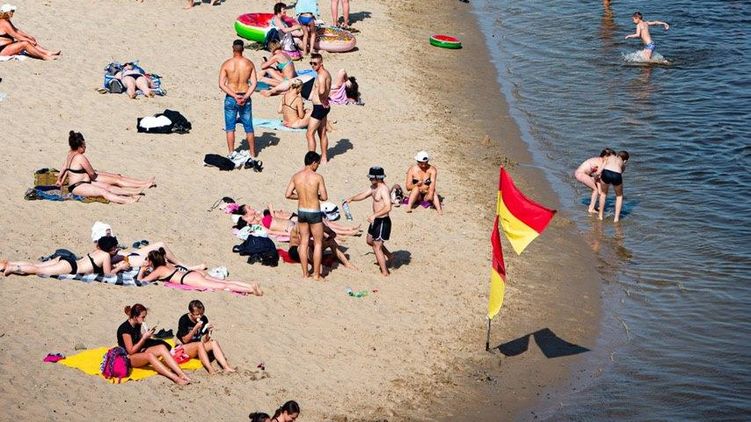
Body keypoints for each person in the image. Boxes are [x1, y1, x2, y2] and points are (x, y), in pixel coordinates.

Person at [55, 131, 143, 204]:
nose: (85, 147)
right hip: (77, 186)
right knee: (103, 192)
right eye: (84, 145)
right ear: (80, 146)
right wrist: (98, 177)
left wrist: (60, 180)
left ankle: (132, 192)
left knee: (108, 187)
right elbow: (92, 173)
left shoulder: (70, 153)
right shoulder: (80, 157)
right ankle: (128, 200)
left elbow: (64, 168)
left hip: (82, 183)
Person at [117, 303, 191, 385]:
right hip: (128, 358)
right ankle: (175, 378)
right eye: (143, 317)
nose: (144, 320)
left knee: (162, 347)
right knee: (150, 356)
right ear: (135, 317)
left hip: (139, 351)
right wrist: (144, 338)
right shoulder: (125, 329)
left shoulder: (137, 323)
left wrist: (146, 335)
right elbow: (131, 351)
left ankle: (181, 373)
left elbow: (136, 338)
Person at [137, 248, 263, 295]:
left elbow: (141, 281)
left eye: (148, 259)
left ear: (152, 261)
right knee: (225, 282)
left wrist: (142, 270)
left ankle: (251, 290)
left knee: (223, 286)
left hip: (191, 279)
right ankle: (249, 285)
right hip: (193, 273)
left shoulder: (159, 270)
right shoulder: (166, 264)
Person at [285, 151, 328, 280]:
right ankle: (316, 274)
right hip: (314, 211)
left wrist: (300, 196)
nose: (318, 166)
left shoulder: (296, 176)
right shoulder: (318, 177)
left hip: (302, 211)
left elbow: (288, 194)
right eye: (318, 163)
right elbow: (324, 197)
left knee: (303, 242)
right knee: (318, 243)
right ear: (313, 163)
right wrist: (315, 196)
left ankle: (305, 274)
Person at [344, 166, 393, 277]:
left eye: (371, 177)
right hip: (375, 220)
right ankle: (389, 255)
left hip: (382, 221)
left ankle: (385, 272)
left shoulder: (384, 189)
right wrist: (352, 198)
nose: (370, 179)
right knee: (370, 241)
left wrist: (374, 215)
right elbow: (363, 195)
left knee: (377, 246)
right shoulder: (374, 187)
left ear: (377, 177)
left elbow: (388, 207)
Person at [1, 236, 126, 277]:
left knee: (36, 265)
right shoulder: (106, 256)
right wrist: (120, 267)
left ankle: (9, 264)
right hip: (71, 267)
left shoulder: (97, 251)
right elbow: (108, 274)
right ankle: (11, 268)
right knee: (38, 270)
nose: (116, 249)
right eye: (115, 247)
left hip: (68, 261)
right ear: (110, 248)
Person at [219, 39, 258, 158]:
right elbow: (254, 83)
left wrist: (235, 96)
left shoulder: (226, 64)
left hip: (231, 97)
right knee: (249, 127)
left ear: (233, 48)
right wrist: (245, 96)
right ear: (243, 49)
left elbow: (221, 84)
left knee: (230, 127)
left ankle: (231, 152)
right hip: (245, 95)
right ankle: (252, 153)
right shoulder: (249, 63)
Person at [176, 300, 236, 374]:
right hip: (183, 349)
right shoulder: (184, 320)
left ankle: (226, 367)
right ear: (191, 313)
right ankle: (211, 370)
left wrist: (209, 332)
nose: (200, 316)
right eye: (197, 314)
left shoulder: (204, 319)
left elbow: (204, 340)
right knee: (199, 344)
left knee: (213, 342)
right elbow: (185, 340)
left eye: (201, 313)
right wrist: (195, 328)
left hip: (198, 347)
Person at [289, 222, 356, 272]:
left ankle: (347, 263)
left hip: (311, 246)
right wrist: (319, 242)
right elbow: (303, 242)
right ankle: (316, 267)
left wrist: (327, 237)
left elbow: (333, 234)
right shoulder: (302, 225)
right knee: (306, 247)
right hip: (295, 249)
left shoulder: (318, 223)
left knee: (331, 241)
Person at [307, 53, 332, 163]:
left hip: (319, 107)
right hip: (323, 107)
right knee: (322, 133)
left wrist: (322, 98)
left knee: (309, 134)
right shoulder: (326, 73)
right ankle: (324, 158)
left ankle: (311, 160)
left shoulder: (321, 75)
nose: (313, 65)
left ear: (321, 63)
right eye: (311, 63)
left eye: (315, 63)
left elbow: (322, 91)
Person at [401, 151, 443, 215]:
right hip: (417, 195)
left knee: (433, 192)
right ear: (417, 161)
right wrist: (416, 184)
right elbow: (408, 187)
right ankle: (409, 206)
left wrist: (430, 194)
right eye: (421, 163)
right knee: (416, 189)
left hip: (426, 193)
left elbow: (432, 184)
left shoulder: (432, 170)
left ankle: (439, 210)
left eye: (426, 163)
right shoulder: (412, 170)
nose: (423, 165)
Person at [574, 148, 615, 214]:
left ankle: (597, 206)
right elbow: (598, 173)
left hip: (581, 174)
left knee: (597, 190)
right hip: (581, 174)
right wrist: (605, 163)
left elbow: (597, 178)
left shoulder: (598, 159)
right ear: (605, 156)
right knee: (595, 190)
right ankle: (591, 208)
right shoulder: (601, 162)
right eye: (611, 158)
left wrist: (600, 190)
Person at [597, 151, 629, 223]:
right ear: (625, 161)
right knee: (619, 196)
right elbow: (620, 172)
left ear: (617, 155)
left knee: (603, 194)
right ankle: (616, 219)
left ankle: (600, 216)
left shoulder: (610, 157)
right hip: (617, 175)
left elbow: (602, 168)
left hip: (606, 172)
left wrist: (597, 175)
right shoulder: (623, 164)